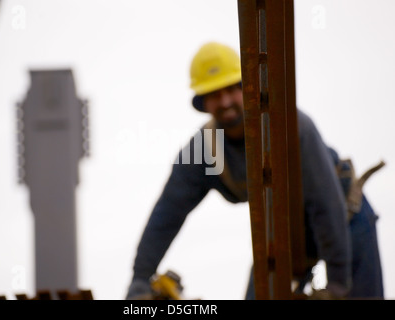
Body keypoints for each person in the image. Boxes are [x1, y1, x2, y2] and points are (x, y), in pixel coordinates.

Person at [125, 42, 384, 299]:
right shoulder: (203, 151)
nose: (225, 101)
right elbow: (165, 217)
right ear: (203, 102)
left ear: (246, 87)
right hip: (287, 235)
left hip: (346, 220)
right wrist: (139, 280)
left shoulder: (291, 126)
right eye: (215, 94)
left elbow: (325, 205)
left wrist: (338, 283)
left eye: (231, 89)